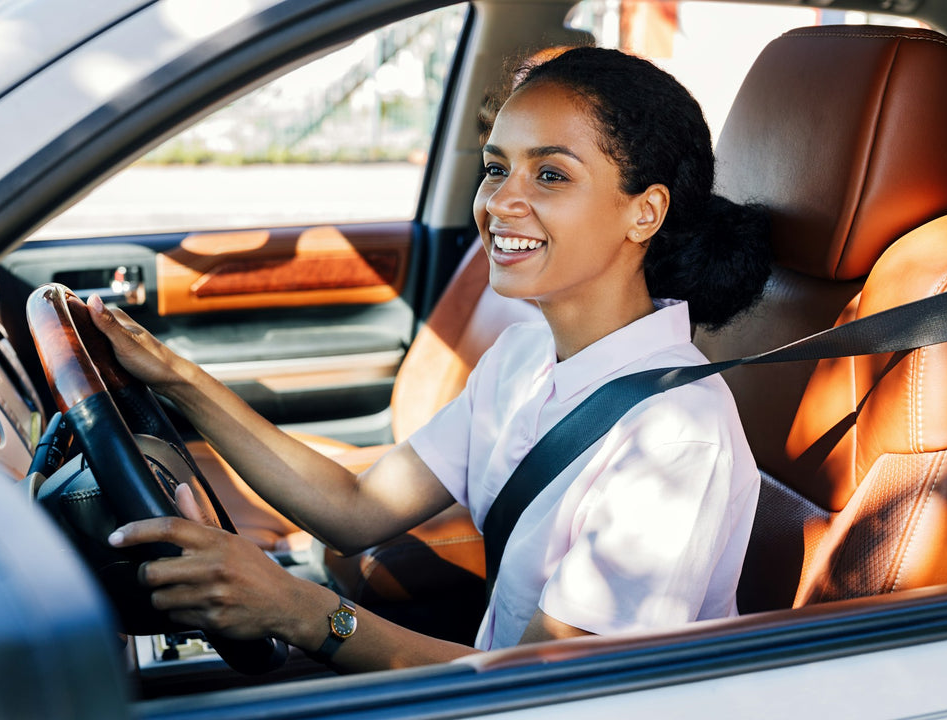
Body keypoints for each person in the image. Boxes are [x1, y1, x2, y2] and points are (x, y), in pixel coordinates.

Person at [93, 46, 770, 672]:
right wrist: (175, 377)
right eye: (497, 168)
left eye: (551, 174)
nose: (501, 202)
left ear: (645, 212)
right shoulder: (524, 354)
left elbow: (550, 689)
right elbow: (355, 508)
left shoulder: (676, 433)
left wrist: (298, 609)